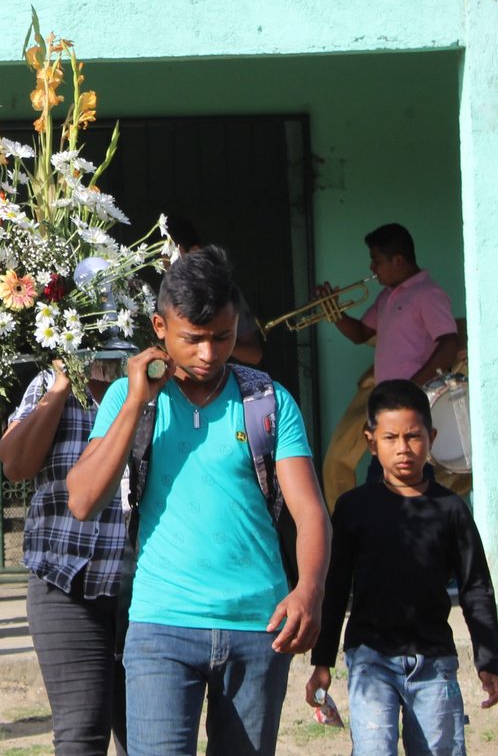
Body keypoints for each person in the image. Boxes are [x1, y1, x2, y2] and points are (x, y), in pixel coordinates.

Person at [66, 247, 331, 755]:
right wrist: (137, 400)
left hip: (260, 627)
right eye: (194, 339)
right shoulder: (128, 398)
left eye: (223, 337)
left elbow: (310, 512)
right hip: (160, 626)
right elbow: (82, 500)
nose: (210, 353)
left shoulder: (268, 401)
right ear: (159, 328)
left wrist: (309, 592)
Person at [307, 379, 498, 754]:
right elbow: (335, 589)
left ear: (432, 437)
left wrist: (487, 658)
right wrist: (322, 661)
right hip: (370, 659)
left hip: (434, 664)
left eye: (413, 437)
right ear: (370, 442)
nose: (403, 449)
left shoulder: (451, 510)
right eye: (390, 438)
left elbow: (475, 586)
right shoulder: (353, 509)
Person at [0, 362, 127, 756]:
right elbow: (15, 465)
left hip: (143, 588)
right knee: (80, 735)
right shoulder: (48, 383)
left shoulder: (153, 377)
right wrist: (61, 384)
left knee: (149, 739)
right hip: (63, 580)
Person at [321, 223, 461, 502]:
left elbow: (449, 343)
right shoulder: (388, 296)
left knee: (411, 478)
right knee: (384, 478)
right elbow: (361, 334)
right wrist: (333, 310)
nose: (373, 268)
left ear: (398, 260)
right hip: (387, 404)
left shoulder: (428, 294)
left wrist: (412, 387)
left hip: (411, 404)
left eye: (377, 260)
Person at [164, 216, 263, 365]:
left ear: (195, 251)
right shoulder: (163, 294)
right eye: (165, 264)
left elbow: (254, 355)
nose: (168, 269)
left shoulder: (223, 293)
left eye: (172, 260)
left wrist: (222, 342)